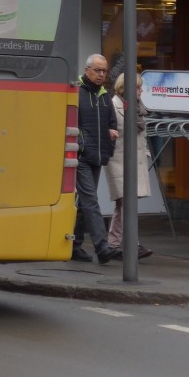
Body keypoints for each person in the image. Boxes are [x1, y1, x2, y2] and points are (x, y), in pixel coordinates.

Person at [72, 53, 121, 264]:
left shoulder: (104, 95)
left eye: (104, 71)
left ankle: (74, 246)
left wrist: (112, 132)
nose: (102, 75)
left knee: (84, 203)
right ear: (87, 70)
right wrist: (80, 143)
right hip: (81, 155)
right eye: (98, 70)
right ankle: (102, 247)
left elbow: (112, 122)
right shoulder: (76, 92)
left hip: (97, 155)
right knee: (91, 200)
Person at [107, 72, 153, 260]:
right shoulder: (114, 105)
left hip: (135, 160)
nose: (142, 90)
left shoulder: (138, 108)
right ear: (127, 88)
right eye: (138, 87)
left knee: (123, 204)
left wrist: (147, 154)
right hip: (119, 161)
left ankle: (113, 244)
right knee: (127, 203)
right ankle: (132, 244)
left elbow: (141, 135)